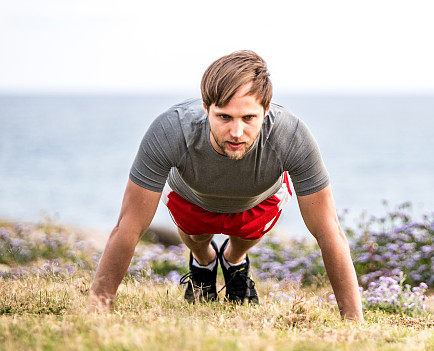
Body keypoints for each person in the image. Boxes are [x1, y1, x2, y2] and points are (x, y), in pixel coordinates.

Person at [88, 51, 363, 321]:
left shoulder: (292, 136)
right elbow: (128, 226)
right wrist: (97, 311)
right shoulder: (170, 130)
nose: (236, 132)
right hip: (190, 196)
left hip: (259, 199)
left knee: (244, 236)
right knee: (197, 238)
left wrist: (354, 323)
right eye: (224, 117)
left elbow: (329, 232)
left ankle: (234, 262)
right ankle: (203, 263)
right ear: (206, 108)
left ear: (266, 110)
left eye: (248, 118)